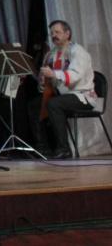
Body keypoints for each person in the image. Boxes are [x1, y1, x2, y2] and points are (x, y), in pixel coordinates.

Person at [29, 21, 96, 159]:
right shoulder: (51, 55)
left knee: (53, 104)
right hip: (61, 95)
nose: (54, 35)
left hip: (81, 95)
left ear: (67, 33)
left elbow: (76, 76)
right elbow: (47, 83)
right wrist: (42, 81)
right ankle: (42, 147)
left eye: (57, 32)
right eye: (52, 33)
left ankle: (64, 148)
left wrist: (54, 74)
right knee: (34, 105)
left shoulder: (78, 52)